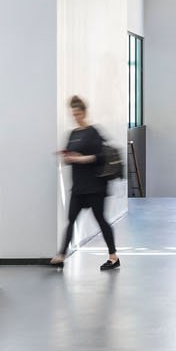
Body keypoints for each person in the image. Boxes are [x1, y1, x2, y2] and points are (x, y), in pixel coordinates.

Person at [51, 96, 120, 271]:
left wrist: (81, 159)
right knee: (71, 220)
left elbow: (101, 157)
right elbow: (69, 160)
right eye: (73, 113)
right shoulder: (73, 134)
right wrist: (67, 156)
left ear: (84, 112)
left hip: (96, 187)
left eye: (78, 113)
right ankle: (61, 255)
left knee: (101, 220)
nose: (76, 116)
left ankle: (113, 256)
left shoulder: (93, 132)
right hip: (79, 187)